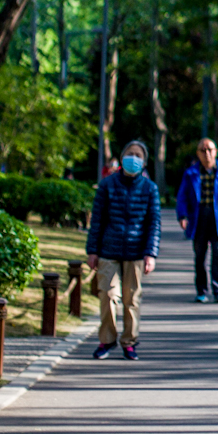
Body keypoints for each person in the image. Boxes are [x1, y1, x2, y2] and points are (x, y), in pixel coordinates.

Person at [85, 140, 160, 360]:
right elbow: (97, 220)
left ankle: (129, 341)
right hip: (109, 250)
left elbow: (153, 223)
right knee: (107, 295)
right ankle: (106, 340)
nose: (133, 158)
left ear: (144, 161)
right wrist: (92, 250)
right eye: (130, 153)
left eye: (138, 155)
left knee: (131, 299)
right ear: (122, 156)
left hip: (136, 252)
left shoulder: (150, 188)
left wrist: (150, 254)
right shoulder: (107, 185)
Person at [176, 138, 218, 303]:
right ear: (198, 153)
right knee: (200, 257)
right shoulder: (191, 173)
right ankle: (201, 291)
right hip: (199, 218)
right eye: (203, 150)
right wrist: (182, 215)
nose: (207, 153)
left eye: (210, 150)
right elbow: (182, 196)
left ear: (216, 151)